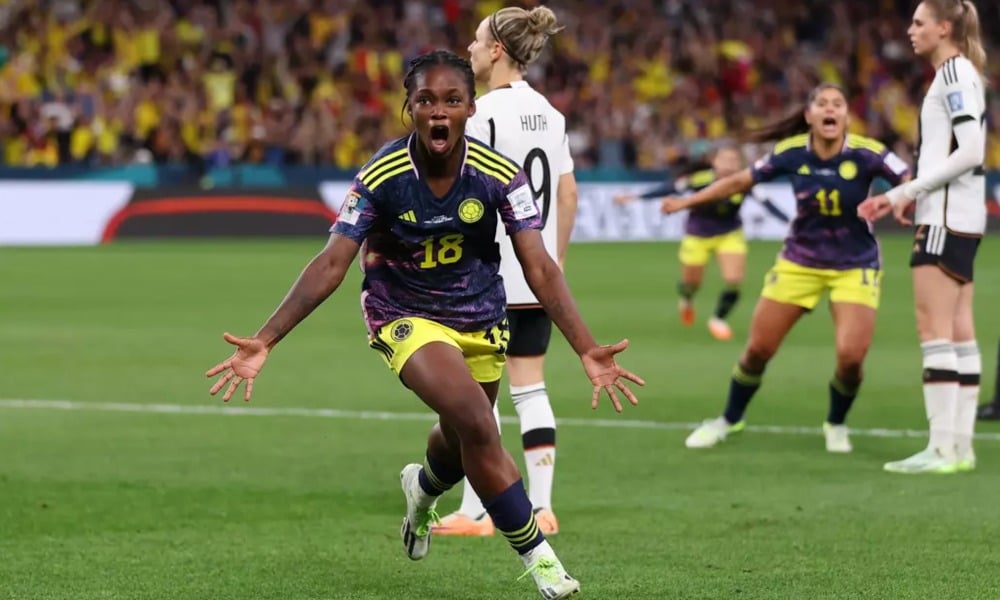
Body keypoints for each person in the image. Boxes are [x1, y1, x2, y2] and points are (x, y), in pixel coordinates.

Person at [204, 50, 643, 600]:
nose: (439, 112)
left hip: (482, 315)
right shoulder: (383, 175)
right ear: (408, 109)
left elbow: (539, 265)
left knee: (461, 439)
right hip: (403, 314)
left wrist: (585, 347)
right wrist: (265, 339)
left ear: (469, 108)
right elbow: (331, 263)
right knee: (481, 425)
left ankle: (422, 490)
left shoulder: (498, 175)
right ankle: (541, 560)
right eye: (426, 100)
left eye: (452, 101)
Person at [665, 83, 910, 454]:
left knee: (850, 358)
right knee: (757, 350)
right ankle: (729, 419)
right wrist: (686, 203)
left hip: (855, 264)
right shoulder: (791, 153)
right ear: (809, 116)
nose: (830, 109)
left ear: (846, 116)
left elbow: (910, 179)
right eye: (822, 104)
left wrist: (897, 198)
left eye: (838, 104)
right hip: (799, 262)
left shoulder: (869, 153)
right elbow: (737, 181)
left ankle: (836, 423)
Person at [430, 5, 576, 539]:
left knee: (476, 395)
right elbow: (567, 191)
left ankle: (475, 512)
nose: (469, 49)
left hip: (486, 274)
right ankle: (541, 507)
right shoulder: (551, 115)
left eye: (475, 41)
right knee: (530, 388)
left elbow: (471, 188)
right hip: (536, 274)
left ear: (496, 50)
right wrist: (554, 264)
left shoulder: (484, 113)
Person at [858, 0, 987, 474]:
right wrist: (914, 194)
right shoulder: (961, 74)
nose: (910, 31)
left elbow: (970, 149)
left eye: (918, 23)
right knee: (959, 330)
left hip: (946, 218)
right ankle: (961, 448)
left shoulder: (953, 75)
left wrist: (904, 192)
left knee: (933, 329)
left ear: (944, 27)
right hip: (962, 216)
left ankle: (940, 448)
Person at [613, 146, 790, 340]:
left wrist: (790, 222)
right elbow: (669, 188)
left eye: (733, 160)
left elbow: (769, 205)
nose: (729, 165)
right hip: (697, 235)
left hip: (729, 234)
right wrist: (633, 197)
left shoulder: (745, 181)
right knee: (691, 282)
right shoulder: (700, 179)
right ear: (715, 162)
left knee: (734, 280)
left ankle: (718, 319)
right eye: (725, 160)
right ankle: (686, 299)